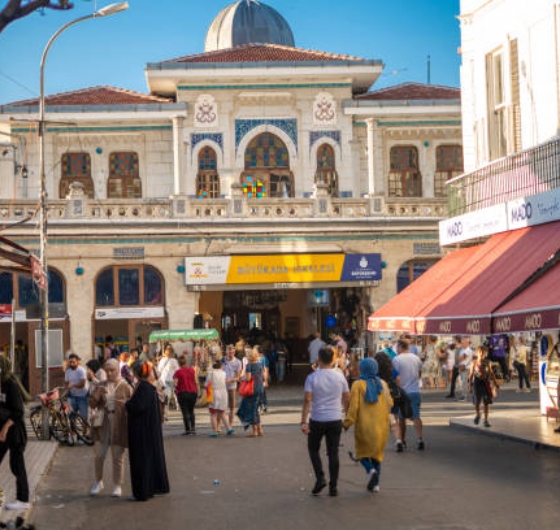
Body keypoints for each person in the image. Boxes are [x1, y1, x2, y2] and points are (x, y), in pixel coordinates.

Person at [300, 347, 350, 497]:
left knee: (313, 449)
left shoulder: (312, 377)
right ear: (333, 359)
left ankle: (320, 477)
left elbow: (307, 400)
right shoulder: (340, 377)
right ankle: (333, 487)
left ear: (319, 359)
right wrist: (346, 416)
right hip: (335, 418)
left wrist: (303, 421)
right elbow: (346, 397)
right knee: (333, 452)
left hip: (317, 418)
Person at [343, 358, 392, 493]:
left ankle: (370, 470)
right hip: (381, 426)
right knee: (377, 455)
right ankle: (376, 485)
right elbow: (390, 403)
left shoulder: (357, 384)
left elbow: (353, 407)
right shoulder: (382, 383)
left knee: (362, 453)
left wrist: (347, 423)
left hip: (365, 426)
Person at [88, 359, 133, 497]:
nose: (108, 373)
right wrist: (97, 392)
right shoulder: (100, 385)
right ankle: (98, 481)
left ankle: (117, 485)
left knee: (117, 456)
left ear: (117, 370)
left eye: (112, 370)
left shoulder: (125, 386)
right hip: (103, 424)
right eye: (107, 370)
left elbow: (133, 404)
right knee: (99, 454)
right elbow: (92, 403)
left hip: (119, 424)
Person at [126, 361, 170, 502]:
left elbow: (137, 407)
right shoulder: (147, 387)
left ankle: (143, 491)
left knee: (142, 462)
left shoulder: (144, 388)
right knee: (148, 461)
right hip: (147, 431)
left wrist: (126, 403)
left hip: (142, 433)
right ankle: (149, 489)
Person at [0, 355, 31, 510]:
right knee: (14, 465)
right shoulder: (1, 384)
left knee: (17, 466)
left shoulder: (10, 384)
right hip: (4, 432)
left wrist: (5, 428)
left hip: (15, 432)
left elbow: (18, 411)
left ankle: (23, 500)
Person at [392, 339, 424, 451]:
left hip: (403, 392)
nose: (396, 349)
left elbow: (395, 376)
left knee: (401, 418)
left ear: (401, 347)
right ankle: (420, 439)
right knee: (416, 416)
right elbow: (420, 373)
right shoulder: (416, 358)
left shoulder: (396, 359)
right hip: (415, 391)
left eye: (397, 347)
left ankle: (403, 440)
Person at [468, 346, 499, 428]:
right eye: (480, 352)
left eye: (483, 352)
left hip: (486, 383)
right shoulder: (473, 363)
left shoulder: (488, 362)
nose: (481, 354)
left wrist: (495, 382)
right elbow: (471, 375)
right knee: (477, 402)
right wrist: (470, 386)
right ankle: (478, 414)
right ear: (477, 353)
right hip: (477, 383)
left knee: (486, 403)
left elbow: (491, 373)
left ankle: (486, 420)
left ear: (486, 354)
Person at [237, 348, 264, 437]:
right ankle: (260, 429)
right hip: (259, 388)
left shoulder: (249, 365)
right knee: (255, 408)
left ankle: (255, 431)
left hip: (251, 389)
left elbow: (248, 378)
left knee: (251, 409)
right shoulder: (260, 364)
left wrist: (241, 379)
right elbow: (262, 376)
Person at [206, 359, 234, 437]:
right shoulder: (224, 373)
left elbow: (207, 384)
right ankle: (229, 428)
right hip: (223, 393)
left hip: (214, 394)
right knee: (222, 412)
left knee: (213, 413)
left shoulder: (211, 373)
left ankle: (215, 431)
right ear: (221, 366)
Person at [173, 355, 198, 436]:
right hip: (193, 392)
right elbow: (196, 381)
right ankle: (193, 429)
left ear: (178, 363)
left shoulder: (177, 372)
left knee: (185, 411)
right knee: (191, 410)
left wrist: (175, 389)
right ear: (185, 362)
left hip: (182, 393)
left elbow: (175, 383)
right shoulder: (192, 370)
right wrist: (197, 390)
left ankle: (188, 430)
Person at [65, 353, 89, 422]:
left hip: (82, 396)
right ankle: (73, 432)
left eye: (73, 362)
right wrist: (66, 390)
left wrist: (73, 385)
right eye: (70, 362)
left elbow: (82, 384)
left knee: (84, 416)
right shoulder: (68, 371)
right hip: (72, 396)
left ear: (77, 362)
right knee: (72, 416)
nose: (71, 364)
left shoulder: (81, 370)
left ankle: (85, 431)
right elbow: (66, 383)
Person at [222, 345, 242, 428]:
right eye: (228, 351)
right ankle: (219, 426)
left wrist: (230, 380)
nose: (230, 353)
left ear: (234, 352)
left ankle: (230, 425)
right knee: (221, 408)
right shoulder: (222, 360)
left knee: (232, 407)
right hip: (222, 387)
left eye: (232, 352)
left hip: (232, 387)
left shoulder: (238, 362)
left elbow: (238, 377)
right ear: (226, 351)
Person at [157, 345, 180, 415]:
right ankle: (178, 407)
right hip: (172, 379)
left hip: (164, 379)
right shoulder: (174, 360)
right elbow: (178, 370)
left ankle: (166, 410)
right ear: (172, 353)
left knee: (166, 395)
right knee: (176, 393)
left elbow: (159, 370)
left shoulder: (162, 360)